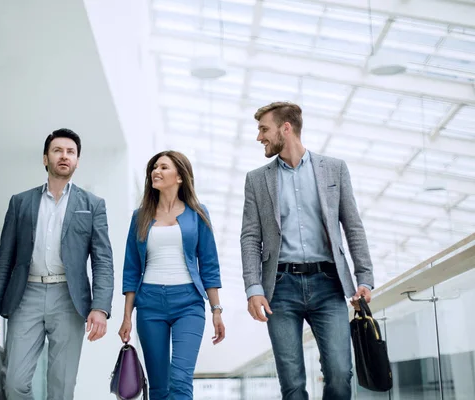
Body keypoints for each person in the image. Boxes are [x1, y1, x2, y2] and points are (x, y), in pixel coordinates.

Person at [240, 102, 374, 400]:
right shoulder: (257, 180)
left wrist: (364, 278)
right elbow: (250, 237)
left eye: (264, 129)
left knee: (340, 374)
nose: (259, 137)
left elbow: (353, 226)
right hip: (281, 288)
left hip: (328, 284)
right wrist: (253, 288)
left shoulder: (334, 169)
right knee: (292, 383)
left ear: (285, 128)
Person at [0, 128, 114, 400]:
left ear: (77, 160)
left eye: (70, 152)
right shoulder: (20, 202)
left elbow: (103, 261)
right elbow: (4, 259)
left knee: (61, 387)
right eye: (57, 151)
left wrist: (100, 307)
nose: (64, 156)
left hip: (69, 299)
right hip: (26, 295)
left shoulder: (92, 205)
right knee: (14, 383)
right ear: (45, 159)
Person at [118, 150, 225, 400]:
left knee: (180, 379)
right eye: (155, 167)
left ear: (180, 176)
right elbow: (131, 269)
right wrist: (126, 317)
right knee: (158, 386)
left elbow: (209, 264)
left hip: (188, 304)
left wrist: (216, 310)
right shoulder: (140, 216)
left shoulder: (197, 214)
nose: (157, 171)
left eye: (164, 167)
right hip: (150, 304)